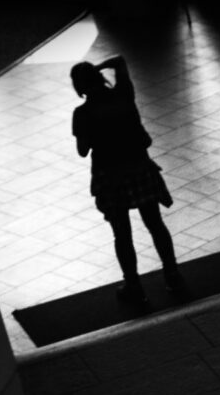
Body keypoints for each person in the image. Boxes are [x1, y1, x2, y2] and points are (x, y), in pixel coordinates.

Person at [70, 54, 188, 307]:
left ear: (78, 87)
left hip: (110, 176)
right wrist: (97, 68)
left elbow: (82, 150)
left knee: (122, 234)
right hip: (138, 168)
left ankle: (133, 285)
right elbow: (120, 60)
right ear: (98, 78)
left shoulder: (82, 113)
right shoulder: (124, 93)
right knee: (155, 224)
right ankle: (172, 274)